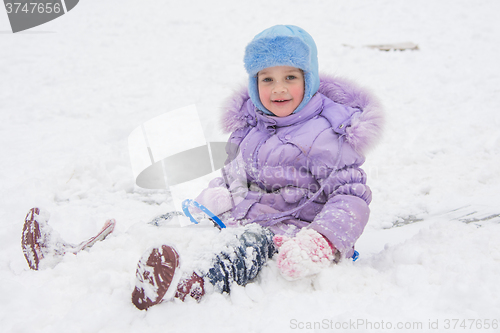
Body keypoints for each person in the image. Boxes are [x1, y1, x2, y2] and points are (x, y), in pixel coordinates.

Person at [21, 24, 384, 310]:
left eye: (290, 76)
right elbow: (237, 175)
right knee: (173, 224)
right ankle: (77, 252)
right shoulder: (251, 127)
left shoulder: (329, 134)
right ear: (254, 84)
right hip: (243, 215)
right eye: (266, 78)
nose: (278, 89)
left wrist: (322, 240)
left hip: (291, 235)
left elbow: (350, 195)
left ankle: (191, 282)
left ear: (310, 79)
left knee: (245, 246)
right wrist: (221, 195)